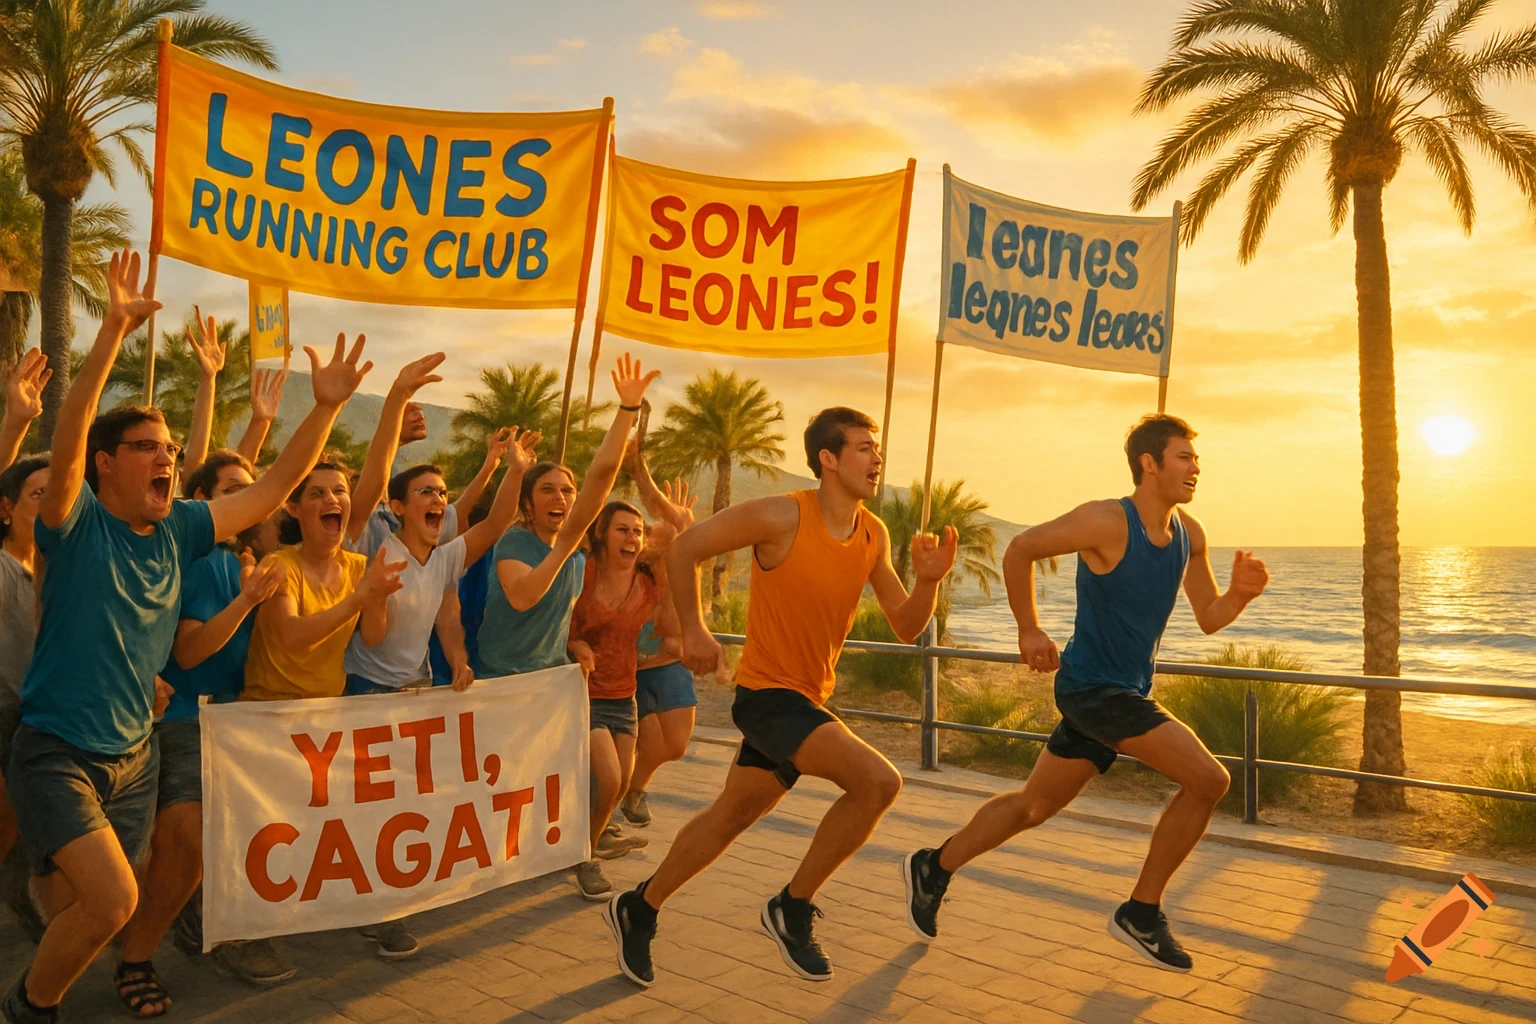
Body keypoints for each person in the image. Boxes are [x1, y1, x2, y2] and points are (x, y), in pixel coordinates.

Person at [1, 249, 373, 1024]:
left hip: (135, 758)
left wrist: (327, 407)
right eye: (150, 446)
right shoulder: (75, 525)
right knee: (112, 901)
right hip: (57, 750)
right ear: (109, 465)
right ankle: (30, 1005)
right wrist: (109, 334)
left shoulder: (181, 530)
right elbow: (68, 441)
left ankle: (38, 904)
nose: (170, 454)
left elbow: (273, 488)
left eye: (174, 447)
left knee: (86, 901)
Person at [900, 414, 1270, 974]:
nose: (1197, 467)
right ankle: (1141, 912)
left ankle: (934, 865)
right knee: (1210, 780)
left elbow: (1209, 617)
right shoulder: (1105, 521)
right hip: (1093, 691)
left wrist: (1240, 595)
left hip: (1120, 691)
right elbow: (1020, 549)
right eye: (1185, 457)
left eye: (1196, 459)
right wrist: (1029, 628)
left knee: (1033, 805)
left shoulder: (1190, 536)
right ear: (1149, 464)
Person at [606, 407, 958, 988]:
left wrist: (927, 582)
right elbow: (684, 548)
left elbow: (904, 623)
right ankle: (791, 908)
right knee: (878, 782)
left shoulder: (874, 533)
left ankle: (639, 907)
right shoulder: (781, 515)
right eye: (864, 448)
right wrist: (693, 628)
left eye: (879, 448)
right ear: (828, 458)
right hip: (768, 697)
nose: (877, 458)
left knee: (732, 814)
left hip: (810, 699)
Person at [337, 431, 539, 961]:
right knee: (374, 810)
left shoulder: (445, 558)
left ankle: (382, 907)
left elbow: (492, 530)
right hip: (366, 692)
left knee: (408, 807)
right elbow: (373, 638)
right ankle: (380, 913)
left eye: (442, 491)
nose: (438, 498)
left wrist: (514, 469)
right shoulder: (377, 553)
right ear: (398, 506)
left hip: (418, 693)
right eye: (425, 491)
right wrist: (376, 597)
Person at [113, 452, 286, 1007]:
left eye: (250, 491)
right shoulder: (207, 562)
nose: (245, 500)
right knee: (186, 841)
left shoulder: (254, 557)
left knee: (215, 845)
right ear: (203, 502)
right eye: (232, 490)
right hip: (184, 717)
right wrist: (246, 600)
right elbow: (188, 653)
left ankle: (198, 923)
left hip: (236, 718)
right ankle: (136, 958)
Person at [475, 354, 659, 685]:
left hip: (552, 682)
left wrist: (627, 411)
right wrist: (562, 548)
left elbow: (602, 478)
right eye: (547, 489)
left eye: (567, 490)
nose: (559, 497)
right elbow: (522, 597)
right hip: (500, 682)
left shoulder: (576, 552)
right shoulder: (515, 542)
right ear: (528, 506)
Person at [567, 499, 686, 899]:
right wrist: (576, 645)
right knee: (611, 778)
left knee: (617, 789)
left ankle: (588, 840)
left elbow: (672, 629)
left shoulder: (649, 581)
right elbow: (560, 627)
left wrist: (677, 544)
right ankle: (584, 859)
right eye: (623, 529)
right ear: (602, 533)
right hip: (585, 694)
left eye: (637, 531)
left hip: (625, 695)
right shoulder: (583, 572)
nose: (632, 537)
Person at [619, 446, 699, 829]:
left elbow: (676, 523)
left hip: (669, 666)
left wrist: (680, 523)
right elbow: (653, 505)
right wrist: (639, 470)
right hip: (632, 670)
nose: (657, 526)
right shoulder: (633, 565)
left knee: (677, 745)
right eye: (652, 525)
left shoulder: (681, 564)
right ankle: (627, 795)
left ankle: (633, 788)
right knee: (649, 740)